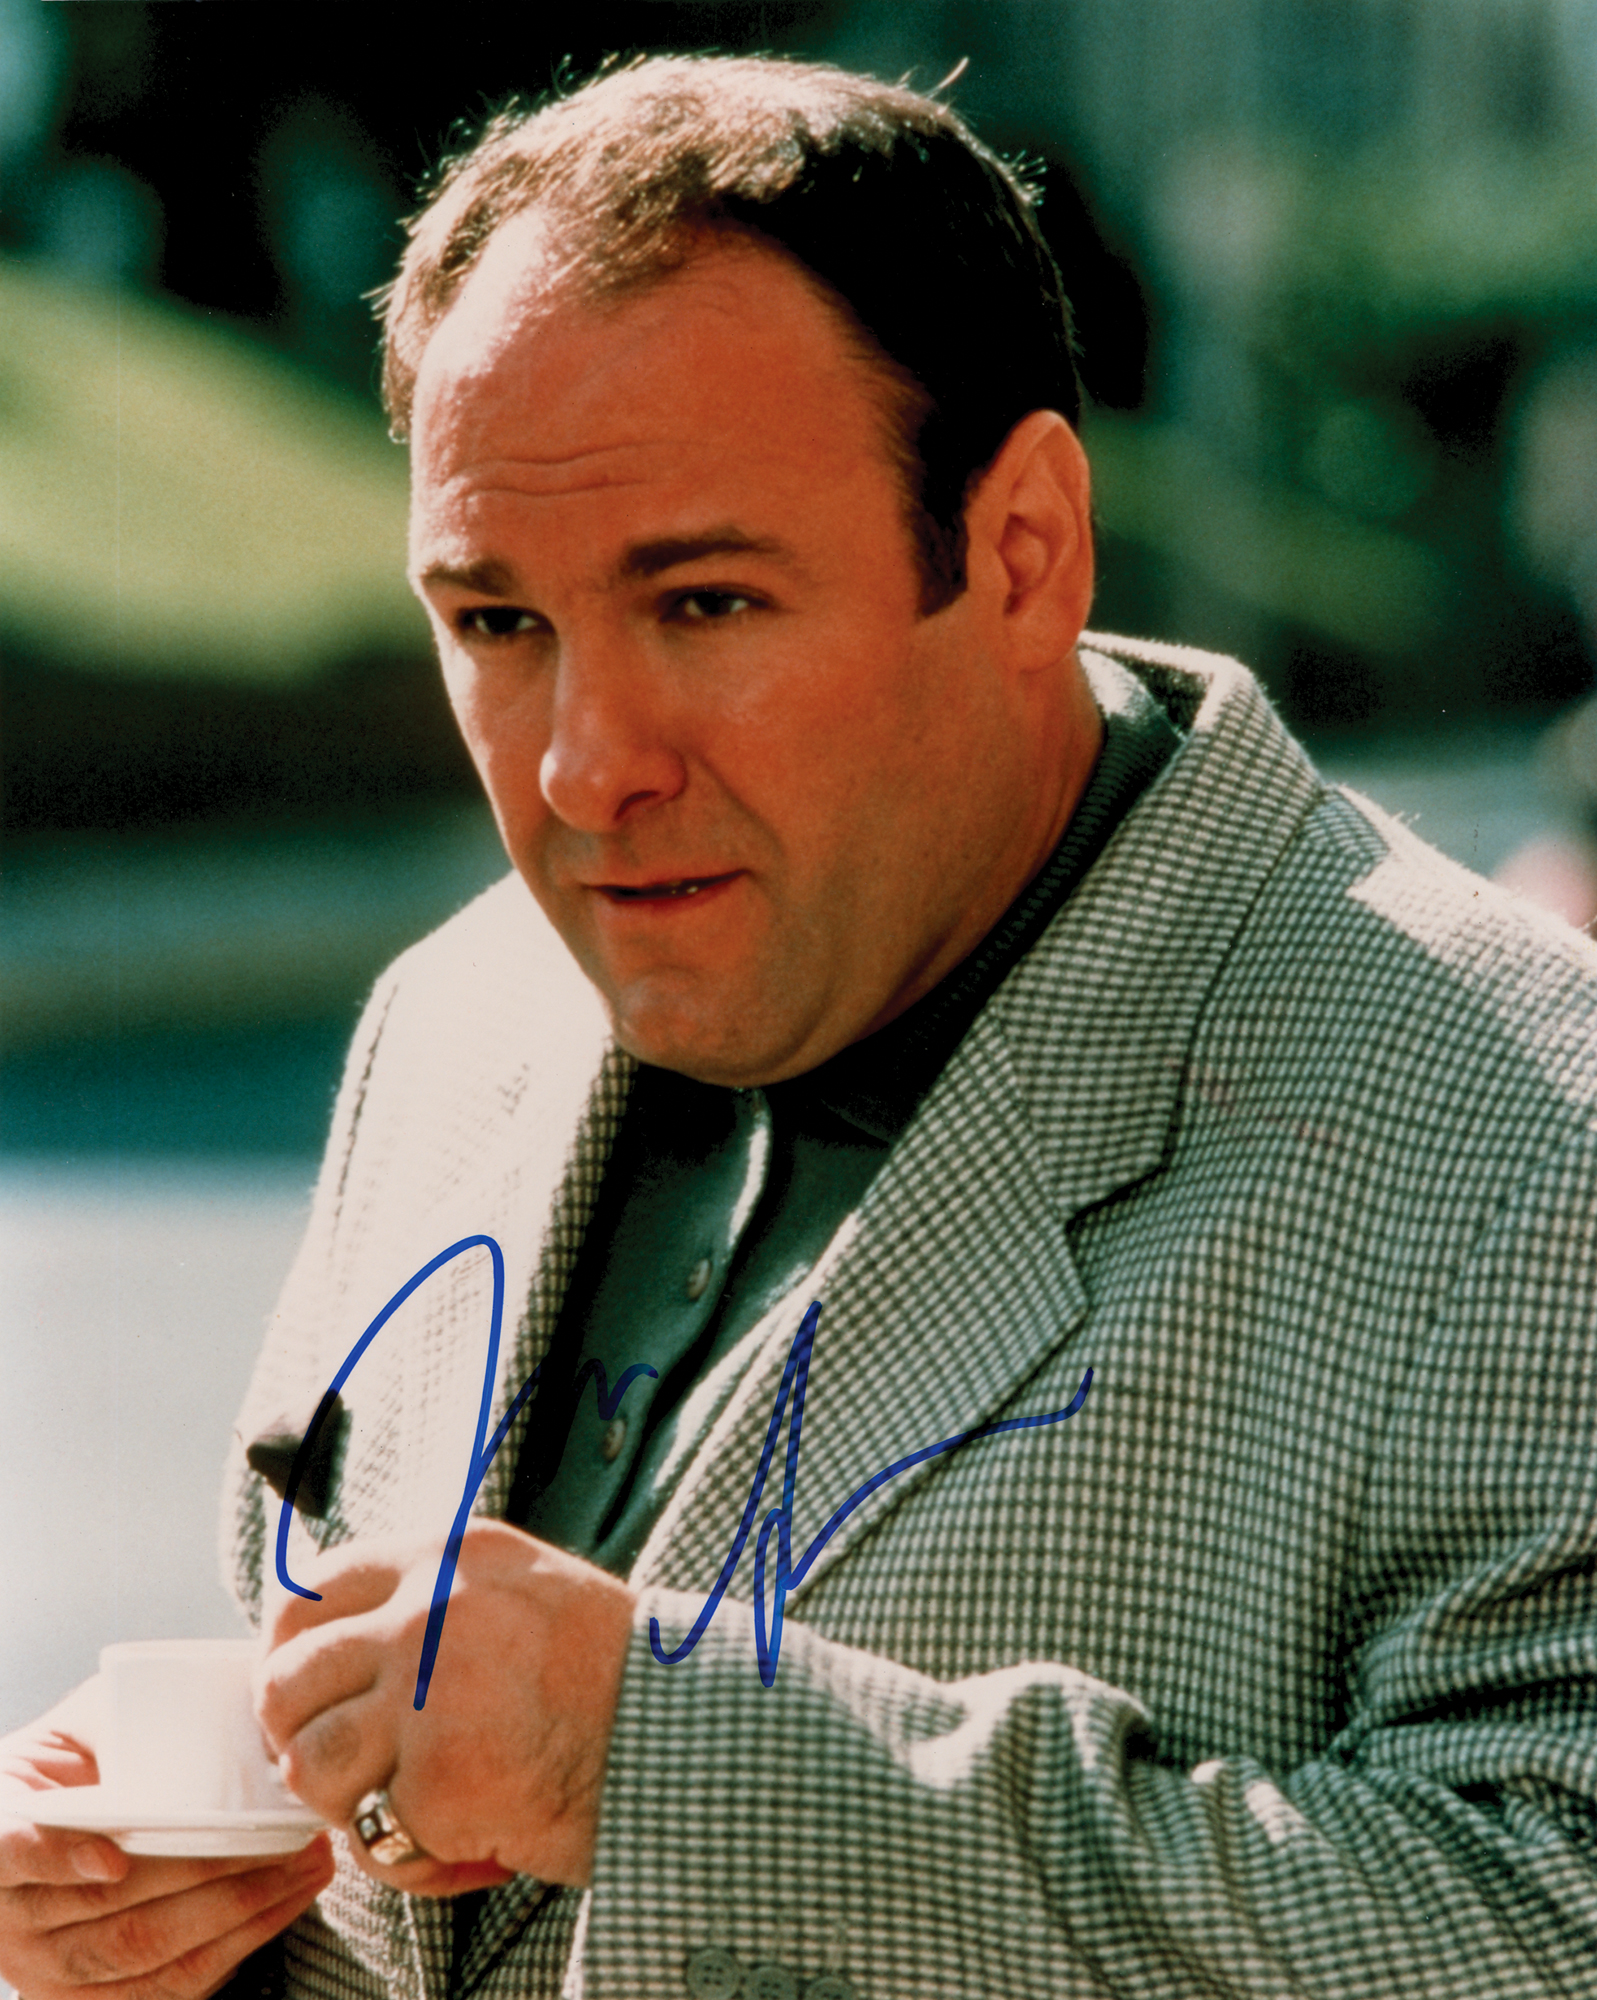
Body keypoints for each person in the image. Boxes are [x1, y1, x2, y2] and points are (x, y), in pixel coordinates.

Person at [4, 52, 1596, 2000]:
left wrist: (658, 1761)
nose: (584, 768)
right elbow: (405, 1885)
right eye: (496, 624)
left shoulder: (1532, 1138)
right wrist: (155, 1923)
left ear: (1021, 549)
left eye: (703, 604)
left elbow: (1558, 1924)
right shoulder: (451, 1021)